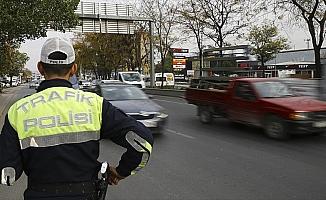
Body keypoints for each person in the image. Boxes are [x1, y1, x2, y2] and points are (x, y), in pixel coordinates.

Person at [0, 37, 154, 200]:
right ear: (73, 69)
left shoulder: (18, 110)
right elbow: (142, 142)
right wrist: (121, 171)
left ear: (40, 68)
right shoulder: (94, 104)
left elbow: (7, 175)